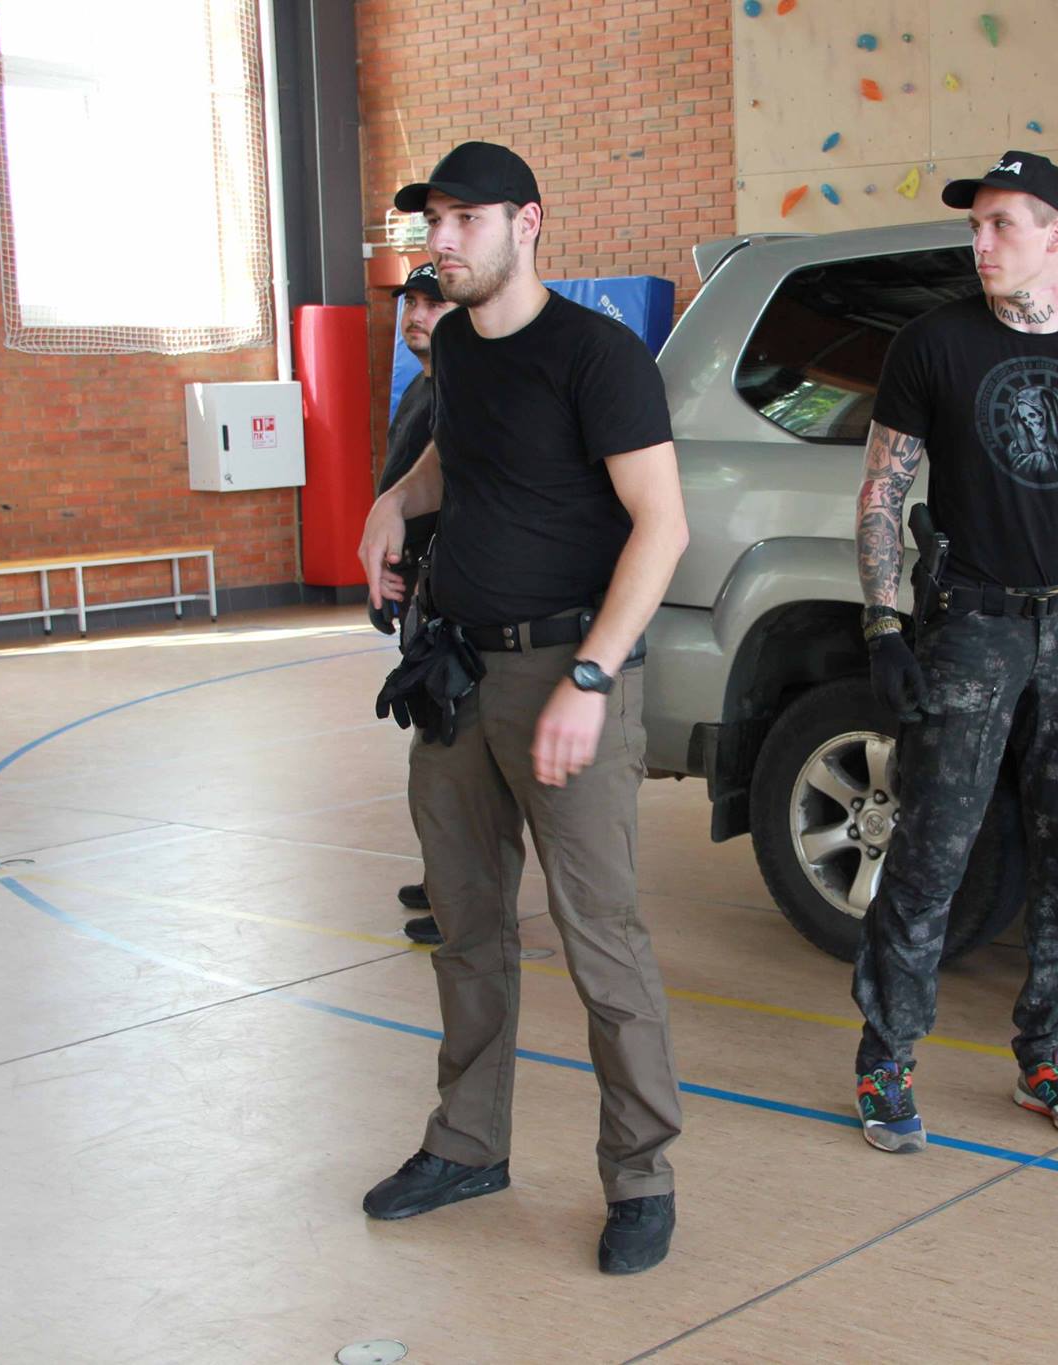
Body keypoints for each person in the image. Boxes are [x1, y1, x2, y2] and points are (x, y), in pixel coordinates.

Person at [354, 141, 690, 1275]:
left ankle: (640, 1174)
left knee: (602, 940)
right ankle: (467, 1145)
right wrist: (393, 503)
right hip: (457, 674)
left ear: (527, 222)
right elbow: (457, 461)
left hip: (568, 675)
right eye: (432, 221)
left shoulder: (599, 356)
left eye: (465, 219)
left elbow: (662, 527)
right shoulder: (454, 344)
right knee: (464, 926)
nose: (441, 241)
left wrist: (591, 678)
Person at [849, 150, 1058, 1154]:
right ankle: (886, 1058)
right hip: (971, 629)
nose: (981, 243)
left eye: (1002, 224)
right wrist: (881, 623)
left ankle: (1047, 1051)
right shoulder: (933, 344)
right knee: (931, 852)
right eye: (975, 226)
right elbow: (883, 490)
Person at [378, 260, 457, 945]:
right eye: (411, 303)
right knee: (432, 750)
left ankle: (461, 898)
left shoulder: (463, 395)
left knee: (451, 759)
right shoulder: (417, 389)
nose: (418, 315)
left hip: (448, 599)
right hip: (418, 596)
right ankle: (443, 879)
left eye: (434, 304)